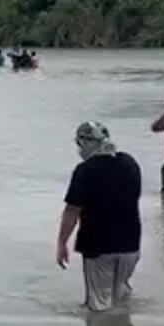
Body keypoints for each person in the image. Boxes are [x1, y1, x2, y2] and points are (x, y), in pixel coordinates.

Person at [57, 122, 142, 312]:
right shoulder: (130, 163)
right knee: (120, 294)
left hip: (99, 247)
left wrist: (62, 243)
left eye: (80, 144)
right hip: (131, 245)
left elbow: (72, 210)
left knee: (99, 307)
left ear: (86, 143)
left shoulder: (85, 170)